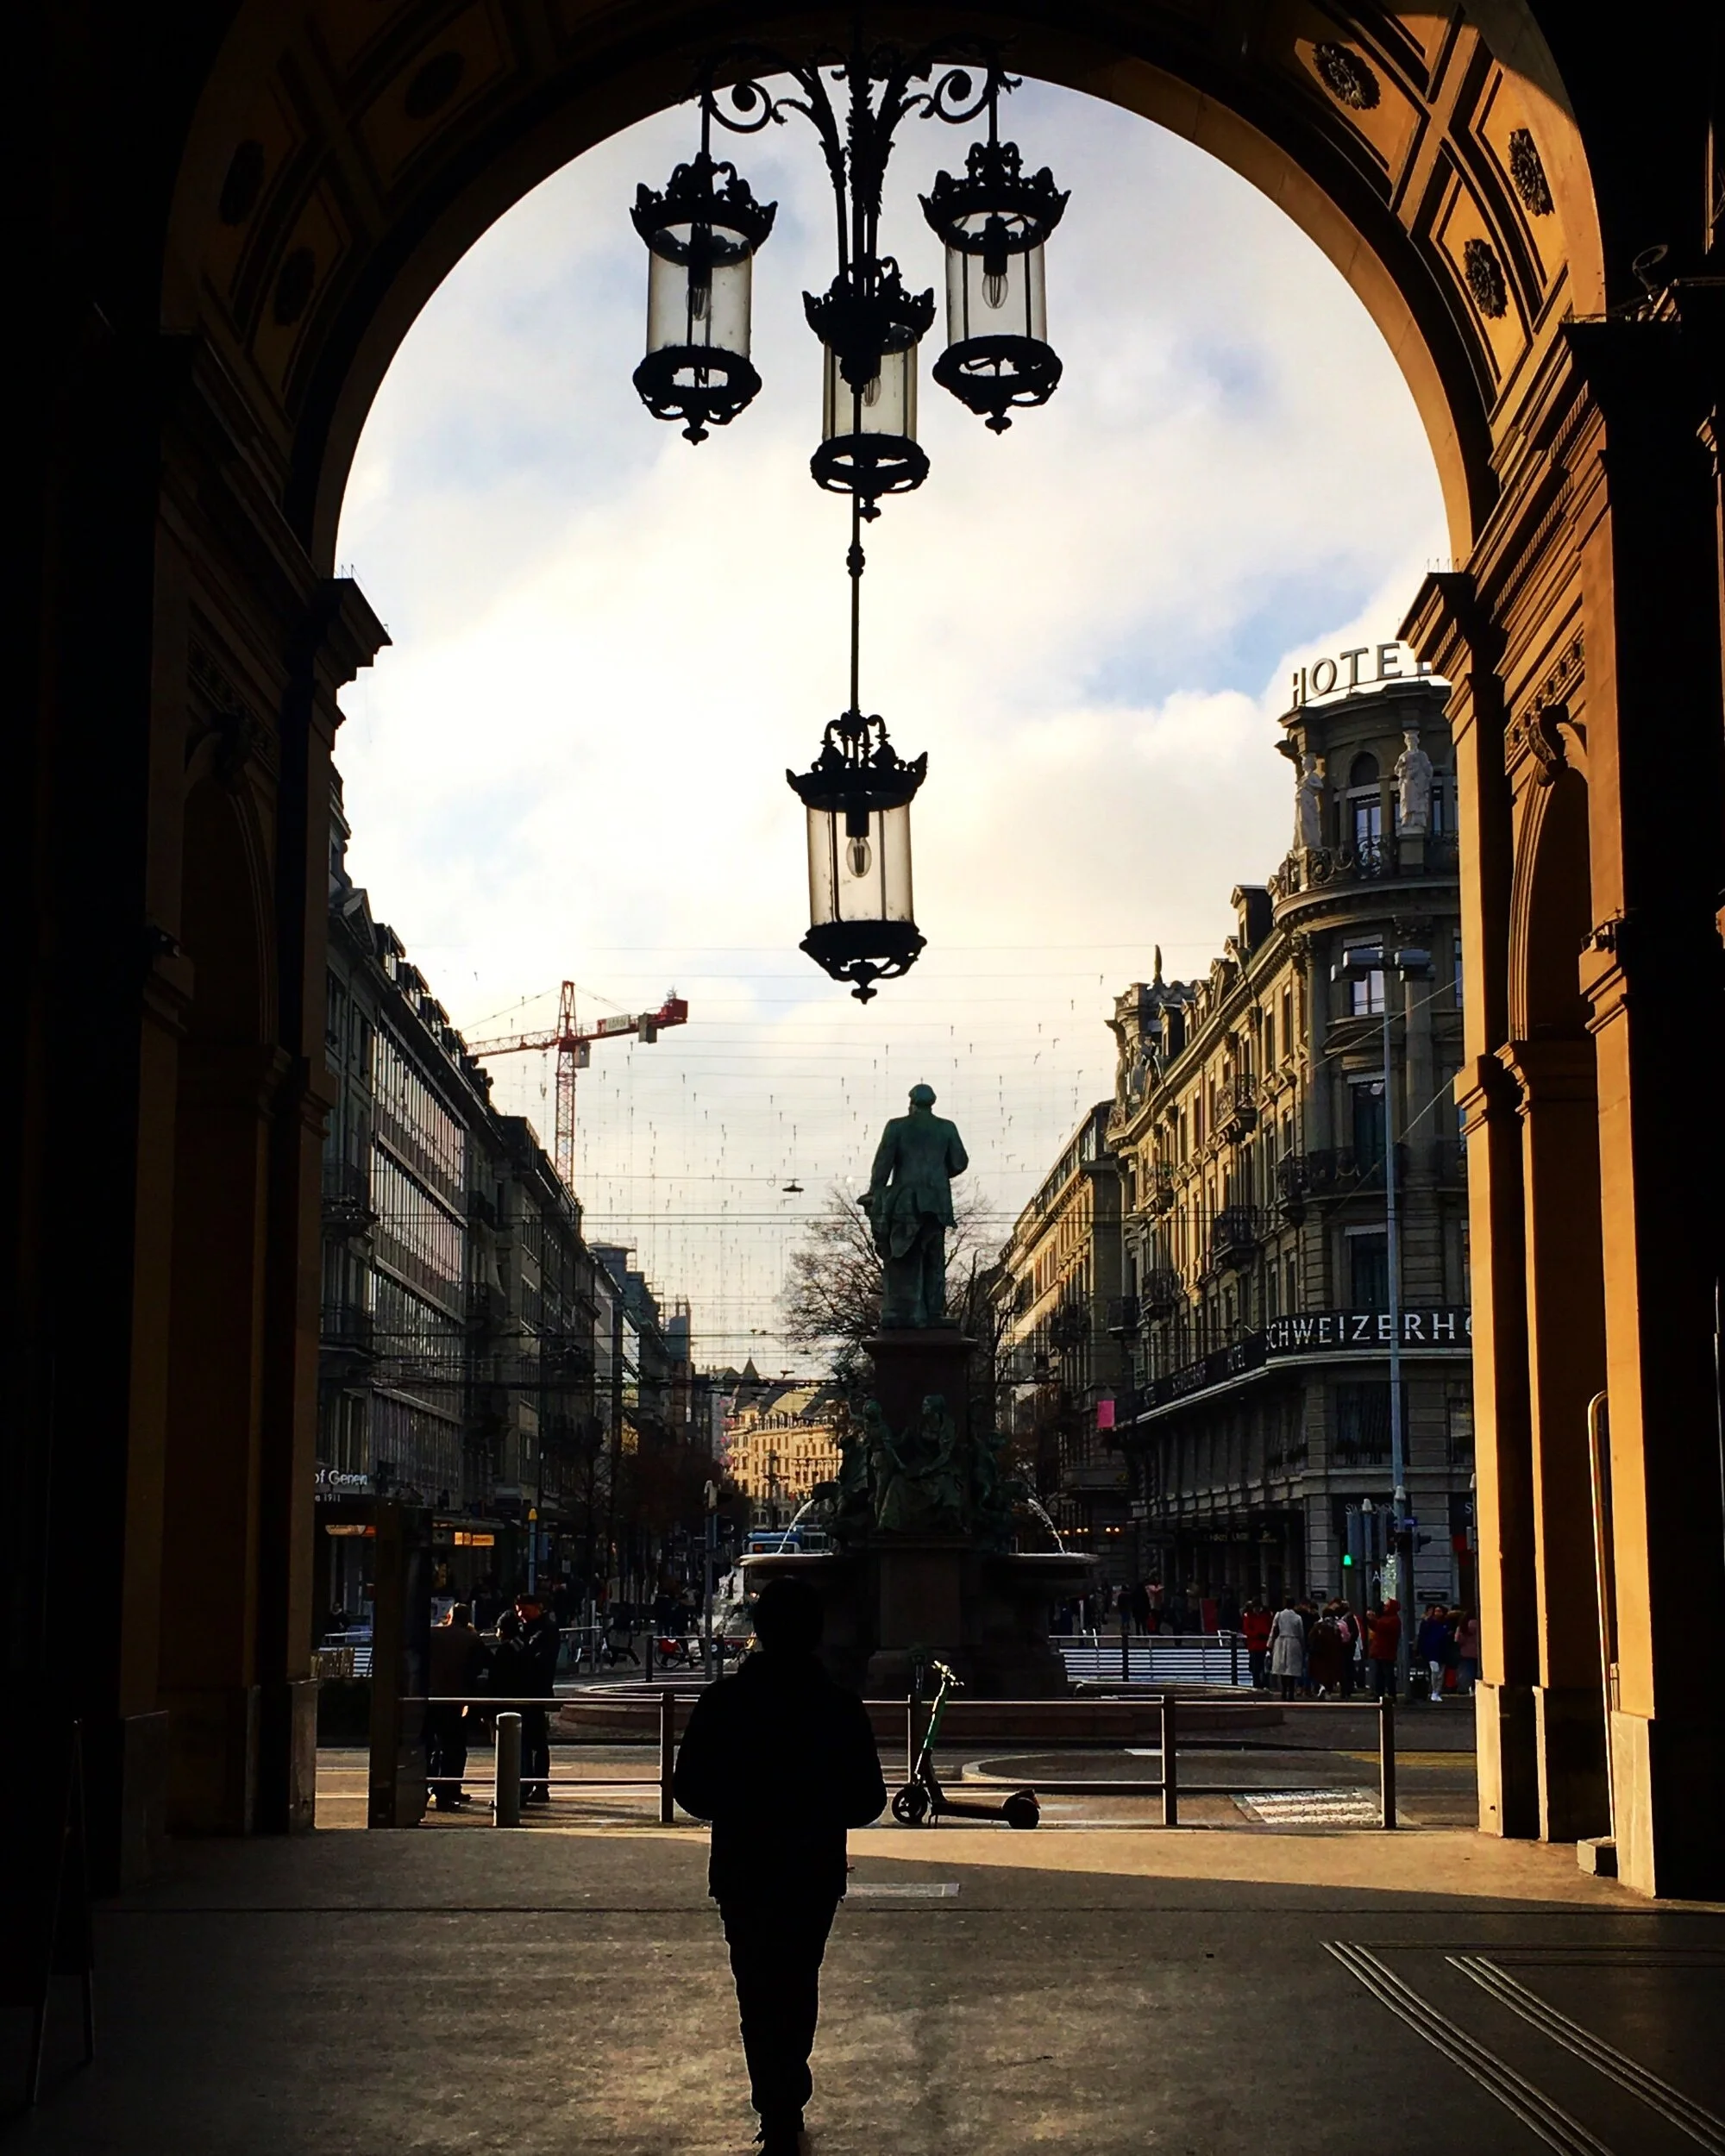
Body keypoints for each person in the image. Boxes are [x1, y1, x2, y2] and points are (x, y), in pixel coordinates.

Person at [673, 1577, 886, 2156]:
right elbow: (869, 1799)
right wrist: (819, 1808)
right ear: (817, 1634)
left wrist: (739, 1806)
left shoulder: (723, 1702)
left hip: (744, 1864)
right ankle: (787, 2090)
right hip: (812, 1867)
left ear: (760, 1632)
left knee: (756, 1987)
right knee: (798, 1980)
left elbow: (688, 1786)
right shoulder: (838, 1706)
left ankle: (775, 2102)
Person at [425, 1602, 487, 1808]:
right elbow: (483, 1665)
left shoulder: (432, 1634)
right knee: (454, 1749)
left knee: (431, 1747)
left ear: (449, 1616)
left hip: (431, 1697)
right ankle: (448, 1791)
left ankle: (428, 1789)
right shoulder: (471, 1638)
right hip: (455, 1700)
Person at [514, 1586, 561, 1802]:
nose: (521, 1614)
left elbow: (537, 1658)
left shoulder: (546, 1629)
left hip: (536, 1691)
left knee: (536, 1742)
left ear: (537, 1608)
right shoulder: (525, 1628)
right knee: (527, 1742)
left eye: (524, 1609)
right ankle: (527, 1783)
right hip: (524, 1692)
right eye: (518, 1610)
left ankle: (540, 1785)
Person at [1267, 1597, 1307, 1702]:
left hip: (1281, 1641)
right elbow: (1301, 1633)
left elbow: (1274, 1629)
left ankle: (1284, 1692)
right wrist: (1303, 1645)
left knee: (1282, 1669)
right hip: (1294, 1642)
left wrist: (1270, 1644)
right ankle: (1291, 1694)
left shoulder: (1279, 1615)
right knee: (1292, 1671)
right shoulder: (1297, 1617)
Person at [1417, 1604, 1452, 1704]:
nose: (1437, 1613)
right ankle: (1434, 1691)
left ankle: (1437, 1691)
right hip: (1432, 1651)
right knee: (1435, 1671)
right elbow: (1422, 1636)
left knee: (1441, 1674)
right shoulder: (1428, 1623)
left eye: (1439, 1611)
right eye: (1436, 1611)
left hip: (1442, 1652)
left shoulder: (1446, 1623)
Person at [1368, 1598, 1402, 1698]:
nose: (1384, 1608)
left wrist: (1372, 1619)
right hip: (1382, 1651)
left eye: (1387, 1606)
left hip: (1386, 1651)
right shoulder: (1387, 1618)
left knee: (1387, 1674)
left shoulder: (1392, 1620)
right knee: (1380, 1675)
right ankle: (1381, 1694)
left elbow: (1380, 1626)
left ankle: (1390, 1694)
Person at [1240, 1599, 1272, 1689]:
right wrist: (1257, 1634)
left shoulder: (1266, 1615)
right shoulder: (1248, 1616)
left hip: (1264, 1645)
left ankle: (1265, 1683)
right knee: (1256, 1668)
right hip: (1254, 1645)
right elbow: (1247, 1630)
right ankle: (1257, 1684)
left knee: (1265, 1667)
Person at [1455, 1608, 1481, 1694]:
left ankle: (1466, 1688)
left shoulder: (1463, 1626)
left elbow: (1458, 1640)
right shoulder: (1480, 1624)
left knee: (1466, 1672)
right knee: (1477, 1673)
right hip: (1478, 1653)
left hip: (1465, 1653)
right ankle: (1475, 1689)